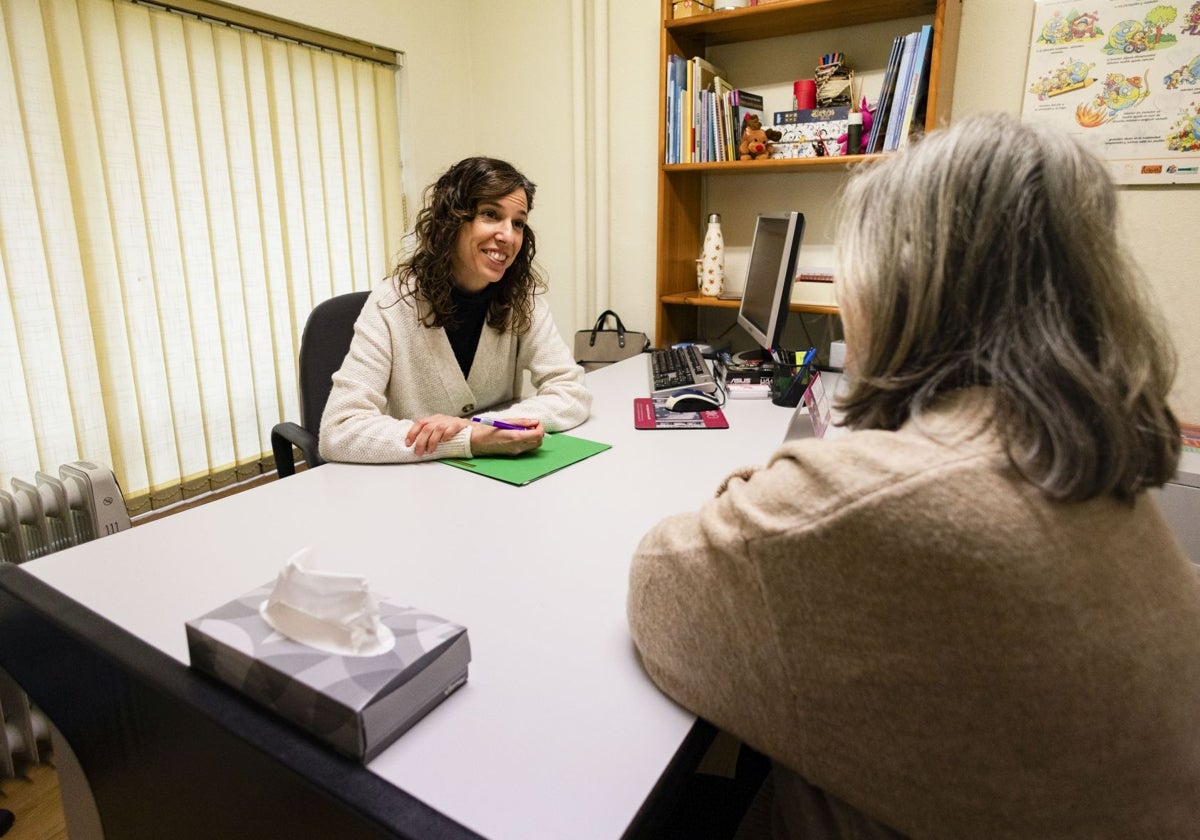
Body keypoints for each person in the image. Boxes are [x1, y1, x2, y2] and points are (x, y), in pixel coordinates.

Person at [627, 112, 1200, 839]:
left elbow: (659, 583)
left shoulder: (873, 502)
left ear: (900, 289)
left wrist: (811, 470)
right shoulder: (1098, 467)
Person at [319, 157, 591, 463]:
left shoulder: (521, 298)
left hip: (499, 484)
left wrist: (484, 426)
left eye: (518, 222)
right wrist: (470, 440)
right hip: (411, 485)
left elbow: (571, 392)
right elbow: (338, 430)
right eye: (490, 214)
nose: (508, 236)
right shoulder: (393, 302)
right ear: (452, 221)